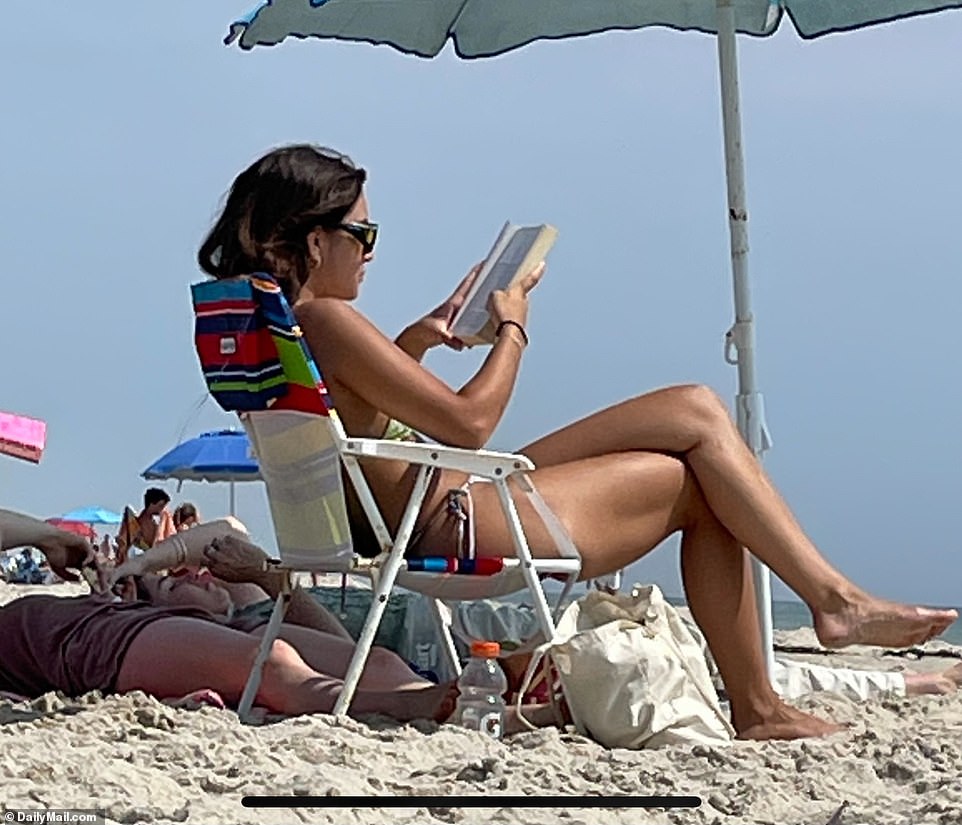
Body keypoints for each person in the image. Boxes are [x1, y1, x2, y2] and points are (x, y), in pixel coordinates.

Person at [197, 144, 957, 740]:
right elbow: (468, 425)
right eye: (362, 232)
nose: (372, 249)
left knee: (694, 409)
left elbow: (359, 426)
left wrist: (416, 342)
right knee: (699, 485)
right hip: (457, 516)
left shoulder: (283, 326)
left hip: (437, 499)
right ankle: (792, 661)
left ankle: (828, 609)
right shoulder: (328, 320)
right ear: (306, 236)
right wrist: (514, 325)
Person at [0, 508, 455, 722]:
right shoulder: (114, 616)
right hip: (95, 638)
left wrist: (143, 562)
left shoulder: (238, 616)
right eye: (173, 579)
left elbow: (223, 534)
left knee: (378, 664)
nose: (194, 575)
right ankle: (399, 704)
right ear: (139, 595)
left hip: (194, 635)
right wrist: (45, 535)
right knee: (270, 660)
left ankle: (455, 703)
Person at [115, 488, 175, 565]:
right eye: (160, 506)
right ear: (151, 504)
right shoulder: (145, 522)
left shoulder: (155, 521)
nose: (162, 509)